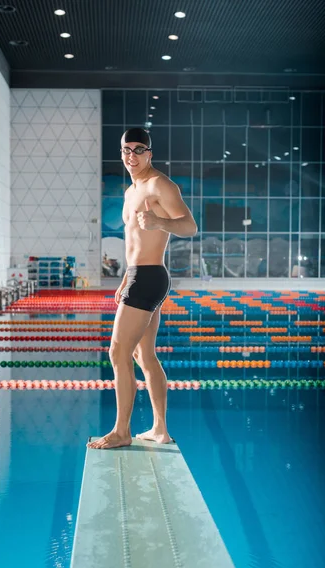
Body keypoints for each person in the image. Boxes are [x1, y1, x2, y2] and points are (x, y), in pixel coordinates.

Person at [88, 128, 197, 449]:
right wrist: (125, 277)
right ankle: (159, 430)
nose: (131, 156)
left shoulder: (160, 185)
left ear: (150, 153)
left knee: (117, 352)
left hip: (150, 276)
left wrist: (161, 222)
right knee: (143, 355)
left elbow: (189, 226)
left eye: (138, 150)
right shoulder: (130, 191)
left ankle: (121, 431)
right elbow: (134, 243)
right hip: (139, 274)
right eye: (126, 150)